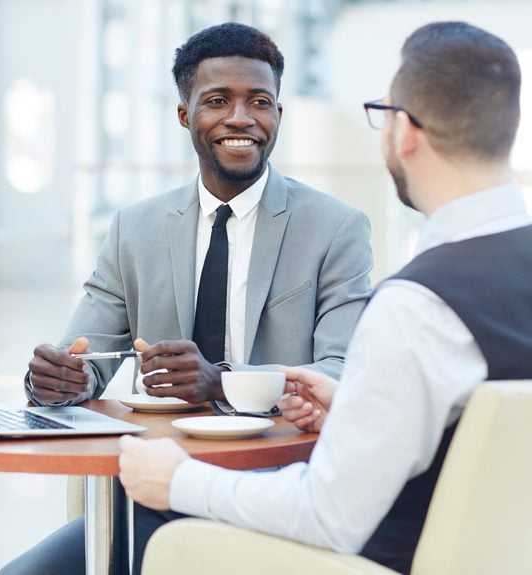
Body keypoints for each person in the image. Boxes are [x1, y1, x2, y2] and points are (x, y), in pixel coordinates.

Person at [119, 20, 532, 575]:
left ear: (404, 131)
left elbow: (329, 514)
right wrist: (354, 411)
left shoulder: (419, 304)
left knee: (141, 524)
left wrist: (178, 477)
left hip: (377, 559)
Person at [2, 22, 373, 574]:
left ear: (278, 114)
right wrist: (59, 379)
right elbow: (86, 355)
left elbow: (342, 372)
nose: (241, 118)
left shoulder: (336, 228)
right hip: (155, 489)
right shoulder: (136, 228)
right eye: (218, 100)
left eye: (260, 102)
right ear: (184, 114)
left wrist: (222, 380)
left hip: (278, 491)